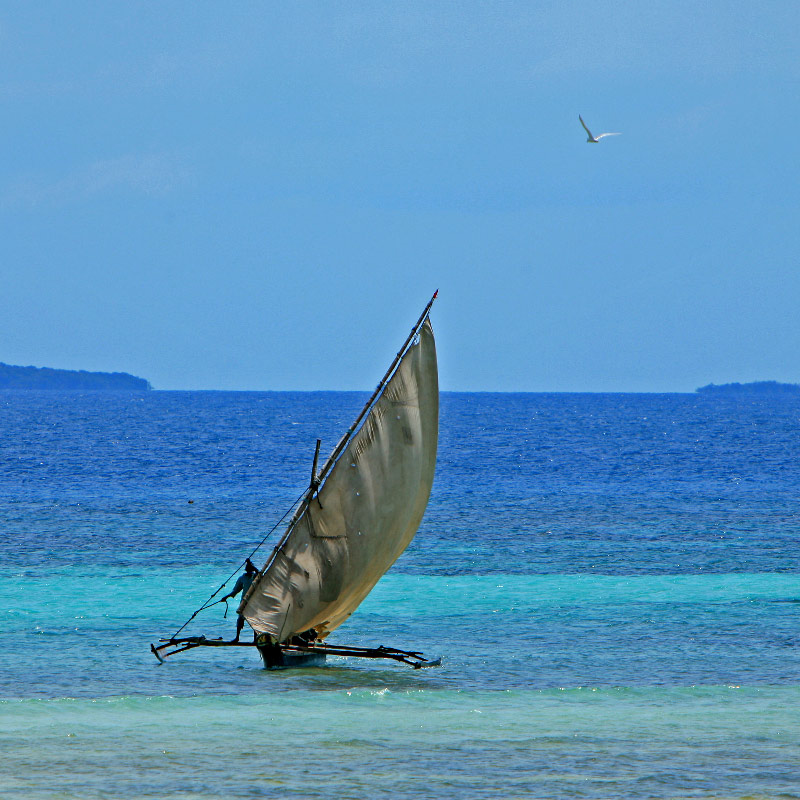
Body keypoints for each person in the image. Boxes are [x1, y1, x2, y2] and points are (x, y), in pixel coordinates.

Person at [221, 559, 258, 642]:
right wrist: (226, 597)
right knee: (240, 619)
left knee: (254, 620)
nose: (249, 570)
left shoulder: (255, 577)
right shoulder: (242, 578)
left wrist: (252, 566)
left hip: (254, 602)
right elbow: (236, 590)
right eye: (248, 568)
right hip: (244, 601)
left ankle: (255, 639)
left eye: (250, 569)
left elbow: (259, 574)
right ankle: (237, 637)